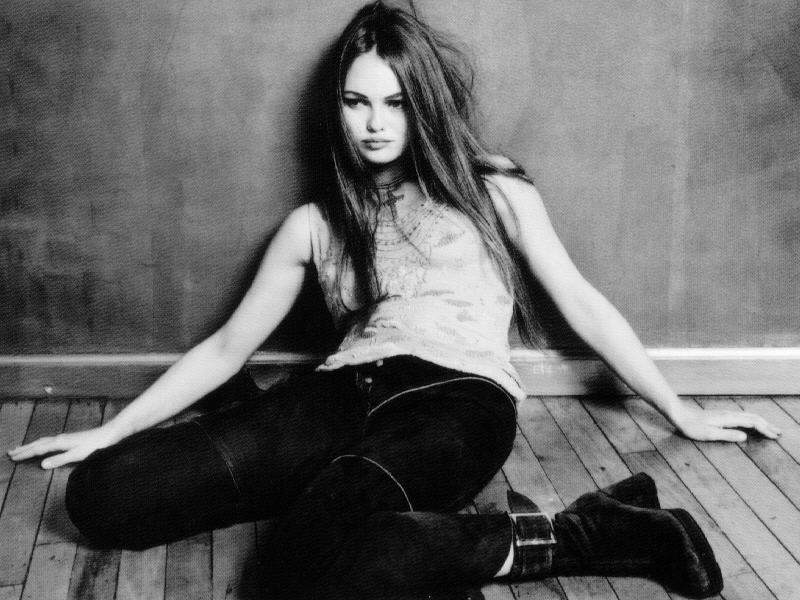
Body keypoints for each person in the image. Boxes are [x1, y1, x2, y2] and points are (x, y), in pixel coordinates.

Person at [7, 3, 780, 599]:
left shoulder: (493, 192)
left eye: (396, 102)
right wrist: (111, 430)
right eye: (357, 101)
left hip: (454, 401)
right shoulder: (313, 225)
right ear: (337, 108)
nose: (376, 124)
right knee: (102, 497)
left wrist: (681, 411)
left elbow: (581, 300)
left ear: (423, 105)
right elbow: (225, 347)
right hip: (334, 395)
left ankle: (589, 533)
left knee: (299, 575)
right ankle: (322, 492)